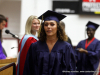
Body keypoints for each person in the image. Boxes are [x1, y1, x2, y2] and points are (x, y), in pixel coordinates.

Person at [23, 10, 76, 75]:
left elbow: (71, 70)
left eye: (52, 24)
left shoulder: (66, 47)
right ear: (43, 27)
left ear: (58, 28)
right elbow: (28, 69)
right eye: (46, 24)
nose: (48, 27)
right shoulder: (35, 46)